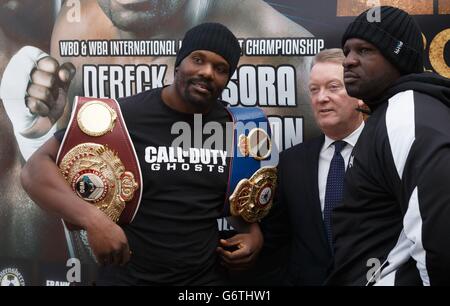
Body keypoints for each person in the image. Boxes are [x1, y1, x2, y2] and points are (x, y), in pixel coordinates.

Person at [21, 22, 264, 285]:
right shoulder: (123, 116)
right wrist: (93, 220)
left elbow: (238, 199)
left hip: (203, 281)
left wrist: (253, 235)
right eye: (198, 59)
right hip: (129, 279)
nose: (207, 72)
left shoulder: (233, 127)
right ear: (179, 63)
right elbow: (34, 171)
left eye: (220, 69)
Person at [327, 6, 450, 286]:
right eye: (347, 51)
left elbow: (440, 238)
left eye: (365, 50)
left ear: (399, 57)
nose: (348, 61)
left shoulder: (405, 111)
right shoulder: (391, 112)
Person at [257, 48, 365, 285]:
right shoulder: (290, 163)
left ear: (359, 94)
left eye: (333, 87)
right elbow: (276, 240)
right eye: (314, 89)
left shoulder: (385, 153)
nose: (321, 97)